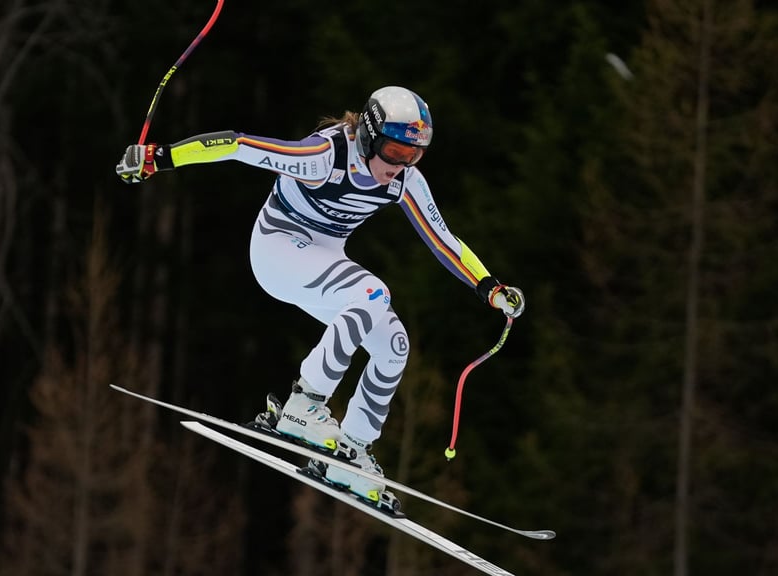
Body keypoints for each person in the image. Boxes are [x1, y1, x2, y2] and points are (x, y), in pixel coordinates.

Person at [115, 86, 524, 504]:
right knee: (373, 292)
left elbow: (444, 242)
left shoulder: (405, 182)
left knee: (393, 344)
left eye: (413, 155)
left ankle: (351, 450)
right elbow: (238, 145)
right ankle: (303, 404)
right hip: (277, 249)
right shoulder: (324, 157)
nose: (401, 165)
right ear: (367, 135)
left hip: (322, 260)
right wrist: (158, 158)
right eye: (395, 152)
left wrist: (490, 288)